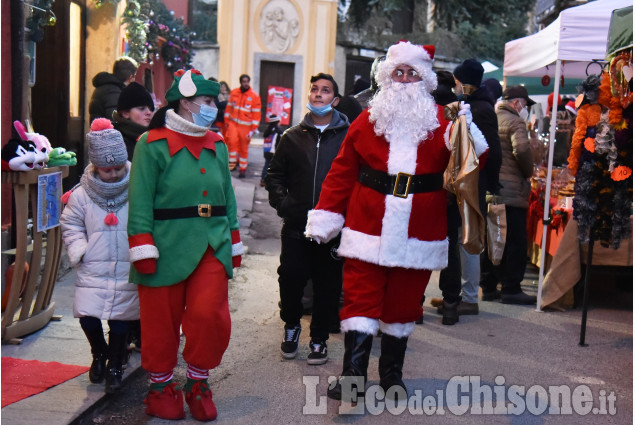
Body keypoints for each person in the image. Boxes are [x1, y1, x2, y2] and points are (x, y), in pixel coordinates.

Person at [304, 41, 481, 400]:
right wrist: (326, 216)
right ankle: (353, 378)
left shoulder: (443, 122)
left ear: (424, 79)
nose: (403, 79)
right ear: (386, 78)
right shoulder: (367, 121)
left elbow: (476, 160)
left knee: (404, 305)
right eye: (397, 72)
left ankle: (391, 376)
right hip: (367, 225)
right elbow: (341, 172)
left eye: (411, 73)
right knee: (359, 301)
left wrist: (467, 128)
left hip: (420, 229)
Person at [127, 69, 243, 421]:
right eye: (208, 101)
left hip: (212, 241)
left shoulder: (217, 144)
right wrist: (142, 242)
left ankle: (197, 384)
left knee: (210, 316)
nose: (213, 108)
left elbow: (229, 197)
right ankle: (161, 387)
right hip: (164, 244)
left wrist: (234, 240)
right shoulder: (151, 144)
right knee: (160, 322)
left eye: (214, 102)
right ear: (186, 102)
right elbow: (141, 198)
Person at [265, 73, 349, 366]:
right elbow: (274, 175)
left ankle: (319, 339)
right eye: (314, 89)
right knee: (290, 278)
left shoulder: (348, 138)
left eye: (325, 91)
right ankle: (291, 327)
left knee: (327, 285)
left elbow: (356, 179)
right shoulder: (291, 137)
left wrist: (345, 215)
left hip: (332, 227)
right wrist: (284, 204)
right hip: (296, 225)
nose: (318, 94)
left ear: (335, 100)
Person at [60, 118, 137, 394]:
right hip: (93, 265)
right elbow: (70, 224)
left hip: (126, 266)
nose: (114, 174)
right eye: (107, 170)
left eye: (118, 167)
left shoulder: (136, 187)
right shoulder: (81, 195)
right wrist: (80, 251)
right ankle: (99, 352)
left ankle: (115, 363)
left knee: (120, 320)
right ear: (95, 166)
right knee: (87, 316)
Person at [433, 59, 501, 323]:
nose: (455, 87)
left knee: (467, 240)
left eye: (458, 82)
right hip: (467, 183)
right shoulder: (477, 105)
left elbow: (491, 151)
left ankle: (470, 298)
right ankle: (459, 295)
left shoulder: (480, 109)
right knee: (461, 239)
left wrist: (487, 185)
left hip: (473, 184)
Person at [480, 85, 537, 305]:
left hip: (491, 188)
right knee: (514, 241)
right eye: (524, 105)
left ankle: (489, 286)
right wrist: (528, 171)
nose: (525, 109)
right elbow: (521, 150)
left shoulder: (492, 117)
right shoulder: (515, 121)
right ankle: (511, 288)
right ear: (517, 103)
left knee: (494, 239)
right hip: (512, 190)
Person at [224, 74, 262, 177]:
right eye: (244, 81)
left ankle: (242, 169)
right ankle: (232, 166)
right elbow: (229, 108)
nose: (245, 83)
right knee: (232, 143)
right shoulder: (234, 93)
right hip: (233, 124)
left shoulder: (254, 96)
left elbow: (256, 113)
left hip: (246, 127)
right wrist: (226, 121)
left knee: (243, 148)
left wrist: (254, 128)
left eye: (247, 81)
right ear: (241, 82)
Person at [89, 57, 138, 123]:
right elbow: (115, 120)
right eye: (134, 76)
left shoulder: (107, 86)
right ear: (130, 77)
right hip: (107, 132)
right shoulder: (113, 91)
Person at [113, 81, 154, 160]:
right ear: (126, 113)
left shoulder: (156, 138)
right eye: (142, 109)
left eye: (150, 109)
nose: (149, 112)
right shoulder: (115, 141)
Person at [260, 114, 283, 187]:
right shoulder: (278, 131)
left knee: (267, 164)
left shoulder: (267, 130)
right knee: (272, 167)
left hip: (266, 151)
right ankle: (269, 181)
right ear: (277, 122)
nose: (280, 123)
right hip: (273, 152)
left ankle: (263, 179)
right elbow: (280, 142)